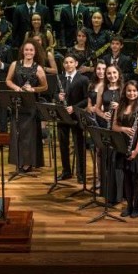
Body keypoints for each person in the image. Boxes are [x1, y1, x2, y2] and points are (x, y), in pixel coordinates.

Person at [6, 39, 48, 173]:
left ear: (35, 52)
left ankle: (28, 162)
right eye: (26, 50)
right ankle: (18, 160)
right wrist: (17, 88)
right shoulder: (14, 64)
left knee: (29, 135)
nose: (28, 52)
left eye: (31, 50)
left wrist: (33, 89)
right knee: (17, 132)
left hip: (31, 105)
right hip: (18, 103)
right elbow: (8, 80)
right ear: (22, 51)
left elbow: (45, 87)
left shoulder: (39, 68)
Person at [112, 80, 138, 218]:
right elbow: (113, 127)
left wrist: (136, 151)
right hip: (123, 146)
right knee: (126, 178)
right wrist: (124, 129)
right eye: (129, 90)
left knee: (136, 179)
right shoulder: (120, 108)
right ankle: (128, 206)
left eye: (134, 90)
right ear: (125, 92)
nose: (131, 93)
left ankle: (136, 207)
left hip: (136, 148)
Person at [55, 53, 90, 184]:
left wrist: (74, 108)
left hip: (77, 116)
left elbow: (87, 99)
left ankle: (81, 174)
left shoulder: (83, 79)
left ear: (76, 64)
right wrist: (58, 97)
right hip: (62, 116)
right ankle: (66, 171)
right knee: (63, 144)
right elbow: (54, 94)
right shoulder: (60, 78)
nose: (68, 64)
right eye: (66, 62)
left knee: (79, 144)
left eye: (71, 62)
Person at [94, 63, 124, 205]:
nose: (112, 76)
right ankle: (107, 192)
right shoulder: (102, 88)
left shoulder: (124, 89)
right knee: (106, 159)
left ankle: (119, 194)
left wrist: (120, 107)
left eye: (114, 73)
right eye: (109, 74)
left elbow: (132, 108)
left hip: (119, 128)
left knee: (117, 161)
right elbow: (96, 108)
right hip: (106, 127)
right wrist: (103, 114)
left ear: (118, 73)